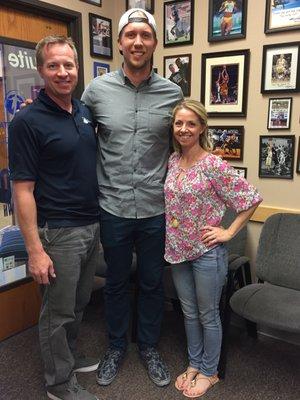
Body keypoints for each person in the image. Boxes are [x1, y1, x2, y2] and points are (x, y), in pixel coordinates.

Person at [81, 8, 183, 388]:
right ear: (120, 43)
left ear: (155, 43)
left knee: (154, 282)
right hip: (114, 206)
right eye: (130, 35)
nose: (138, 42)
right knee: (117, 282)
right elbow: (79, 140)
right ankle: (116, 346)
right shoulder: (96, 92)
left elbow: (185, 145)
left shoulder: (173, 93)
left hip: (157, 209)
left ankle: (149, 347)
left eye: (145, 35)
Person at [8, 35, 100, 400]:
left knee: (78, 303)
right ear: (41, 69)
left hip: (90, 226)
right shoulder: (27, 121)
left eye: (69, 65)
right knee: (56, 311)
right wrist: (34, 250)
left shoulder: (83, 112)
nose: (63, 72)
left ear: (78, 68)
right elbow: (22, 191)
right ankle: (58, 384)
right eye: (53, 65)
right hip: (57, 232)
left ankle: (68, 358)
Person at [164, 100, 262, 398]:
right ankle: (195, 363)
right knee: (189, 313)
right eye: (179, 123)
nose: (184, 129)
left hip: (207, 253)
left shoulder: (213, 164)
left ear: (202, 127)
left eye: (191, 124)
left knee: (208, 314)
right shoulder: (172, 160)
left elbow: (251, 198)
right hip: (178, 250)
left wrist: (229, 231)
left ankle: (210, 371)